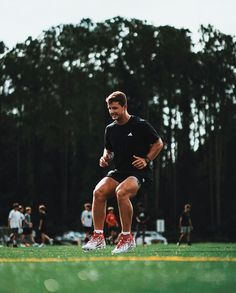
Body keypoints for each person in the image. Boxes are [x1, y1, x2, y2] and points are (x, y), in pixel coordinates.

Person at [82, 91, 163, 254]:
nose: (112, 112)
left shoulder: (140, 124)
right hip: (119, 171)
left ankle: (127, 238)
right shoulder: (110, 129)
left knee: (121, 192)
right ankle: (98, 238)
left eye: (115, 108)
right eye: (109, 108)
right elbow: (109, 150)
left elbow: (158, 143)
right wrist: (105, 157)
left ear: (125, 106)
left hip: (139, 173)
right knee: (98, 192)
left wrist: (146, 159)